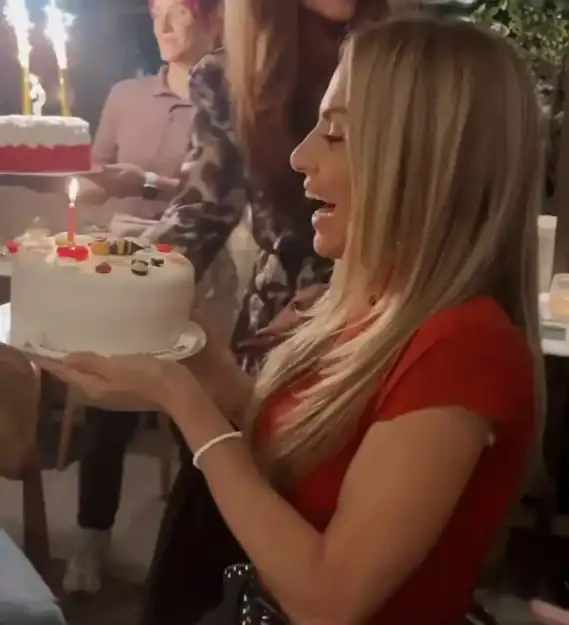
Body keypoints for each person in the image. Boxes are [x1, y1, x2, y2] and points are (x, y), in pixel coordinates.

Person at [42, 15, 544, 625]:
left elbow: (330, 601)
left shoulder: (462, 349)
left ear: (428, 162)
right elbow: (305, 471)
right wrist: (212, 376)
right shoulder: (361, 307)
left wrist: (185, 404)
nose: (301, 157)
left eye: (336, 134)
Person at [63, 0, 222, 595]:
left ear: (215, 18)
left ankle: (198, 555)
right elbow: (95, 172)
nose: (164, 26)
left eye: (179, 12)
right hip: (121, 272)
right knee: (108, 407)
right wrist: (89, 185)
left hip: (194, 275)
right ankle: (90, 538)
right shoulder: (126, 95)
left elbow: (222, 190)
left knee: (198, 416)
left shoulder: (226, 101)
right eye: (156, 12)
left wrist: (148, 182)